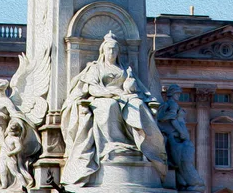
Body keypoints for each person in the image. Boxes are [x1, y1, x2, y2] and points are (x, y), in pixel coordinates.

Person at [60, 32, 167, 185]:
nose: (112, 53)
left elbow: (136, 89)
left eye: (115, 50)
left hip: (123, 97)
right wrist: (110, 93)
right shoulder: (95, 68)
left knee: (138, 105)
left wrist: (130, 85)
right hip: (102, 97)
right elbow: (92, 89)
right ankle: (111, 145)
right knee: (109, 106)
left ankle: (145, 145)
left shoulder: (124, 69)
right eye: (109, 49)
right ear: (103, 51)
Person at [157, 85, 205, 192]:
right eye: (177, 93)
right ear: (172, 94)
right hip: (178, 139)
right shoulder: (172, 104)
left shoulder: (167, 105)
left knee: (179, 164)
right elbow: (173, 119)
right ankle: (197, 183)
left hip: (175, 139)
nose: (179, 96)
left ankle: (183, 183)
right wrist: (181, 132)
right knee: (184, 163)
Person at [0, 120, 34, 189]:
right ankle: (4, 185)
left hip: (10, 157)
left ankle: (24, 185)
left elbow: (19, 148)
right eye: (10, 131)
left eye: (13, 131)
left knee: (14, 172)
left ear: (17, 132)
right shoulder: (5, 138)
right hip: (2, 157)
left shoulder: (16, 139)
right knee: (2, 171)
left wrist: (11, 153)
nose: (11, 133)